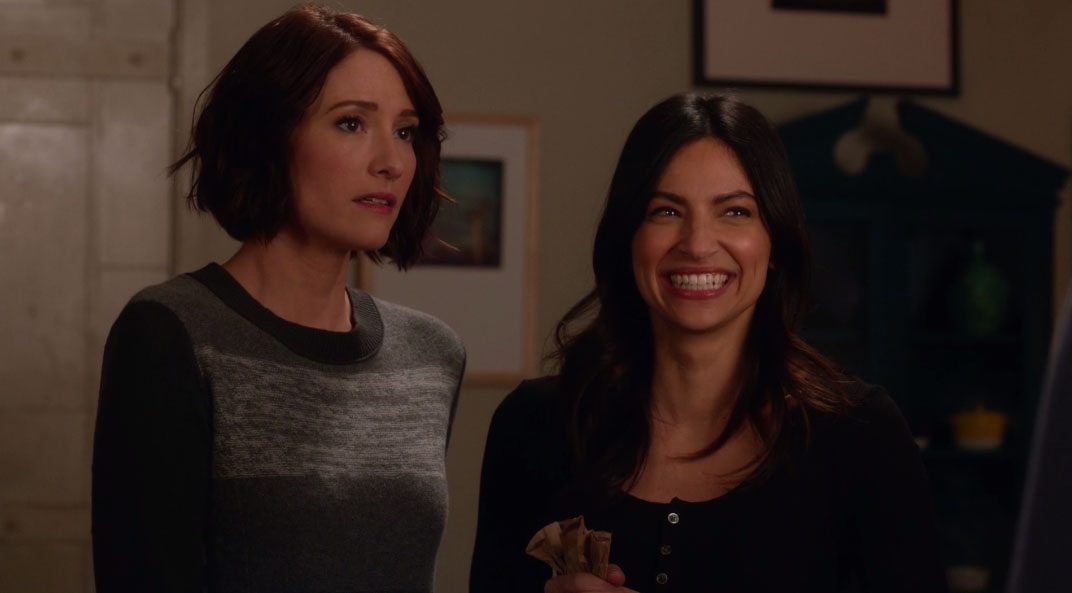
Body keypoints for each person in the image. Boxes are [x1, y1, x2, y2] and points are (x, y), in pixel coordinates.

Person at [469, 93, 945, 593]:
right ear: (628, 239)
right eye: (666, 211)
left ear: (775, 242)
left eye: (735, 212)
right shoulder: (533, 425)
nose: (697, 244)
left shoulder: (861, 436)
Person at [91, 5, 464, 592]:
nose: (391, 162)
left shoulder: (431, 353)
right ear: (268, 138)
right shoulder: (172, 332)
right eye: (351, 123)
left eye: (405, 132)